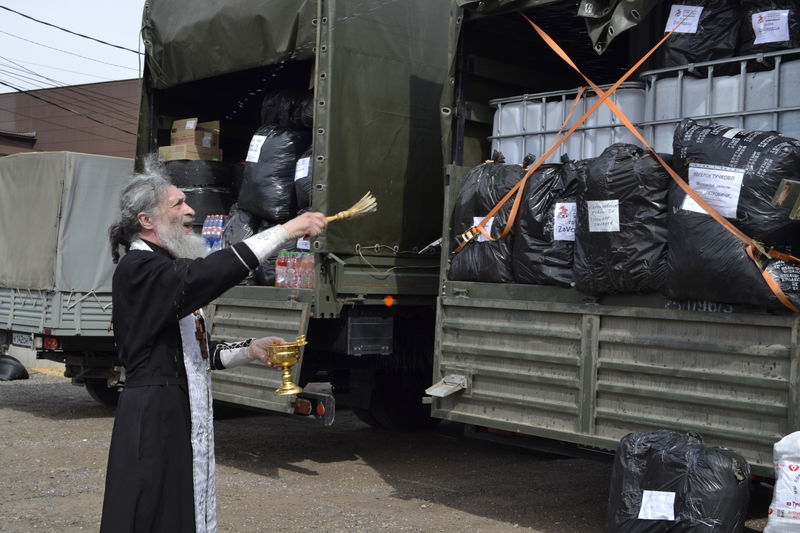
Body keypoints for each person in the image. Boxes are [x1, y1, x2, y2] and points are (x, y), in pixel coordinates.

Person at [100, 161, 327, 533]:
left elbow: (195, 351)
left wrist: (250, 349)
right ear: (146, 220)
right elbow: (205, 276)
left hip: (176, 409)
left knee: (181, 512)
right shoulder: (139, 269)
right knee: (154, 515)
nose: (191, 211)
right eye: (177, 204)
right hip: (155, 416)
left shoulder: (164, 267)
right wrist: (284, 231)